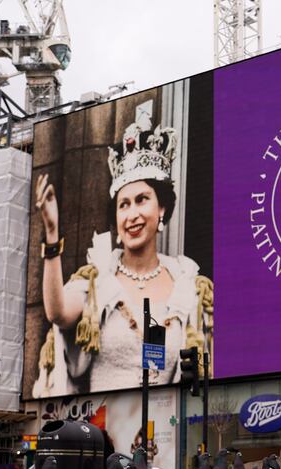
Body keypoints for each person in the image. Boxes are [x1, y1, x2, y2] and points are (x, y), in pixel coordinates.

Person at [30, 117, 213, 397]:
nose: (132, 214)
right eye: (123, 205)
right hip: (102, 431)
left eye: (142, 200)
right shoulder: (97, 280)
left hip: (165, 430)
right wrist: (52, 236)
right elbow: (57, 312)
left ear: (161, 208)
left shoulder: (187, 284)